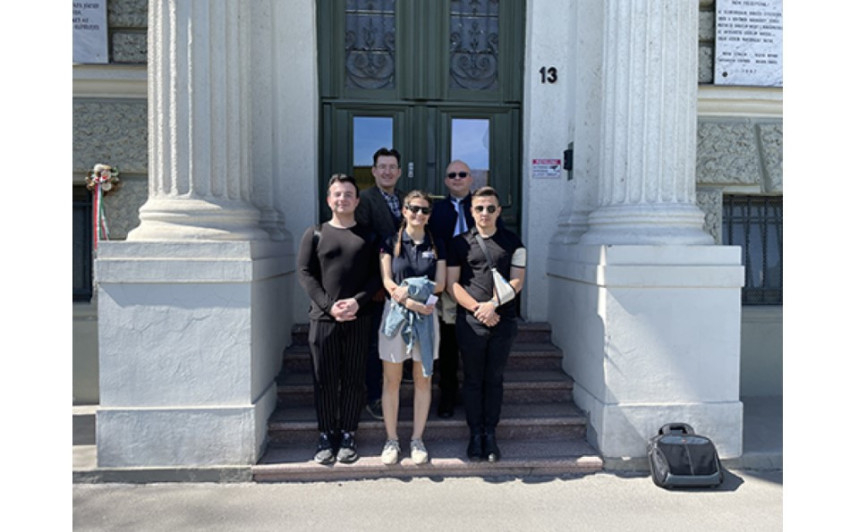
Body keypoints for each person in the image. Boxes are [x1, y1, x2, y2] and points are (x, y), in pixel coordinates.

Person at [296, 174, 381, 465]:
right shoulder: (315, 233)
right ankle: (325, 434)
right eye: (337, 194)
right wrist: (329, 306)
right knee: (325, 380)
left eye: (348, 194)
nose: (342, 199)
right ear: (328, 200)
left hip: (359, 317)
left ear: (357, 201)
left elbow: (376, 276)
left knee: (354, 379)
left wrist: (357, 301)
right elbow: (305, 273)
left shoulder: (369, 236)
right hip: (323, 320)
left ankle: (347, 434)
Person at [447, 186, 526, 463]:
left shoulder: (513, 241)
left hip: (503, 320)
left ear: (499, 211)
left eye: (490, 208)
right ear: (471, 211)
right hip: (471, 322)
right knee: (472, 379)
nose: (485, 213)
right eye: (479, 208)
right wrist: (477, 309)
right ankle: (475, 434)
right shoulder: (459, 243)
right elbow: (452, 284)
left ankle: (490, 434)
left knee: (494, 379)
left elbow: (517, 281)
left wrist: (492, 305)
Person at [377, 191, 446, 466]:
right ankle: (391, 439)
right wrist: (409, 300)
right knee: (391, 381)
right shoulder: (390, 242)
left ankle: (417, 439)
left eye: (424, 210)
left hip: (426, 317)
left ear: (429, 215)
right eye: (414, 208)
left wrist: (413, 294)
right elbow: (387, 281)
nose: (419, 214)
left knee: (423, 379)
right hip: (396, 315)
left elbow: (440, 284)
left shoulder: (437, 243)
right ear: (404, 211)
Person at [429, 160, 503, 418]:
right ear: (446, 181)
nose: (457, 178)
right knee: (448, 344)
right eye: (452, 175)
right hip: (448, 284)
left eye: (463, 174)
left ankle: (479, 394)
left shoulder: (484, 207)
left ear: (471, 179)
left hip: (478, 283)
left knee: (477, 343)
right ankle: (448, 394)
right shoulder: (436, 210)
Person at [354, 147, 407, 421]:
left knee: (401, 336)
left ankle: (398, 384)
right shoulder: (364, 200)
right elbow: (363, 245)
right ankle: (374, 396)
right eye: (382, 167)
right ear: (374, 171)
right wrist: (375, 285)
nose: (387, 172)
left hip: (405, 285)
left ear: (399, 172)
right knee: (377, 343)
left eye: (392, 167)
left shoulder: (406, 199)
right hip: (378, 286)